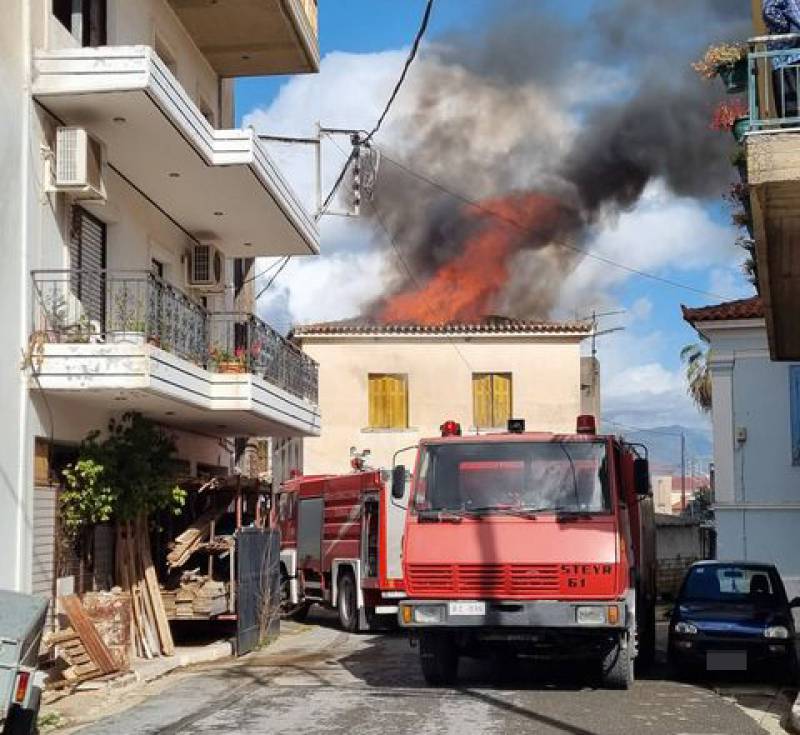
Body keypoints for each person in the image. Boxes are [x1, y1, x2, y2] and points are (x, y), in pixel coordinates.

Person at [763, 0, 800, 118]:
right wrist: (788, 29)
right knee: (792, 111)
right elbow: (769, 12)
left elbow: (769, 12)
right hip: (788, 55)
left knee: (792, 113)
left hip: (788, 56)